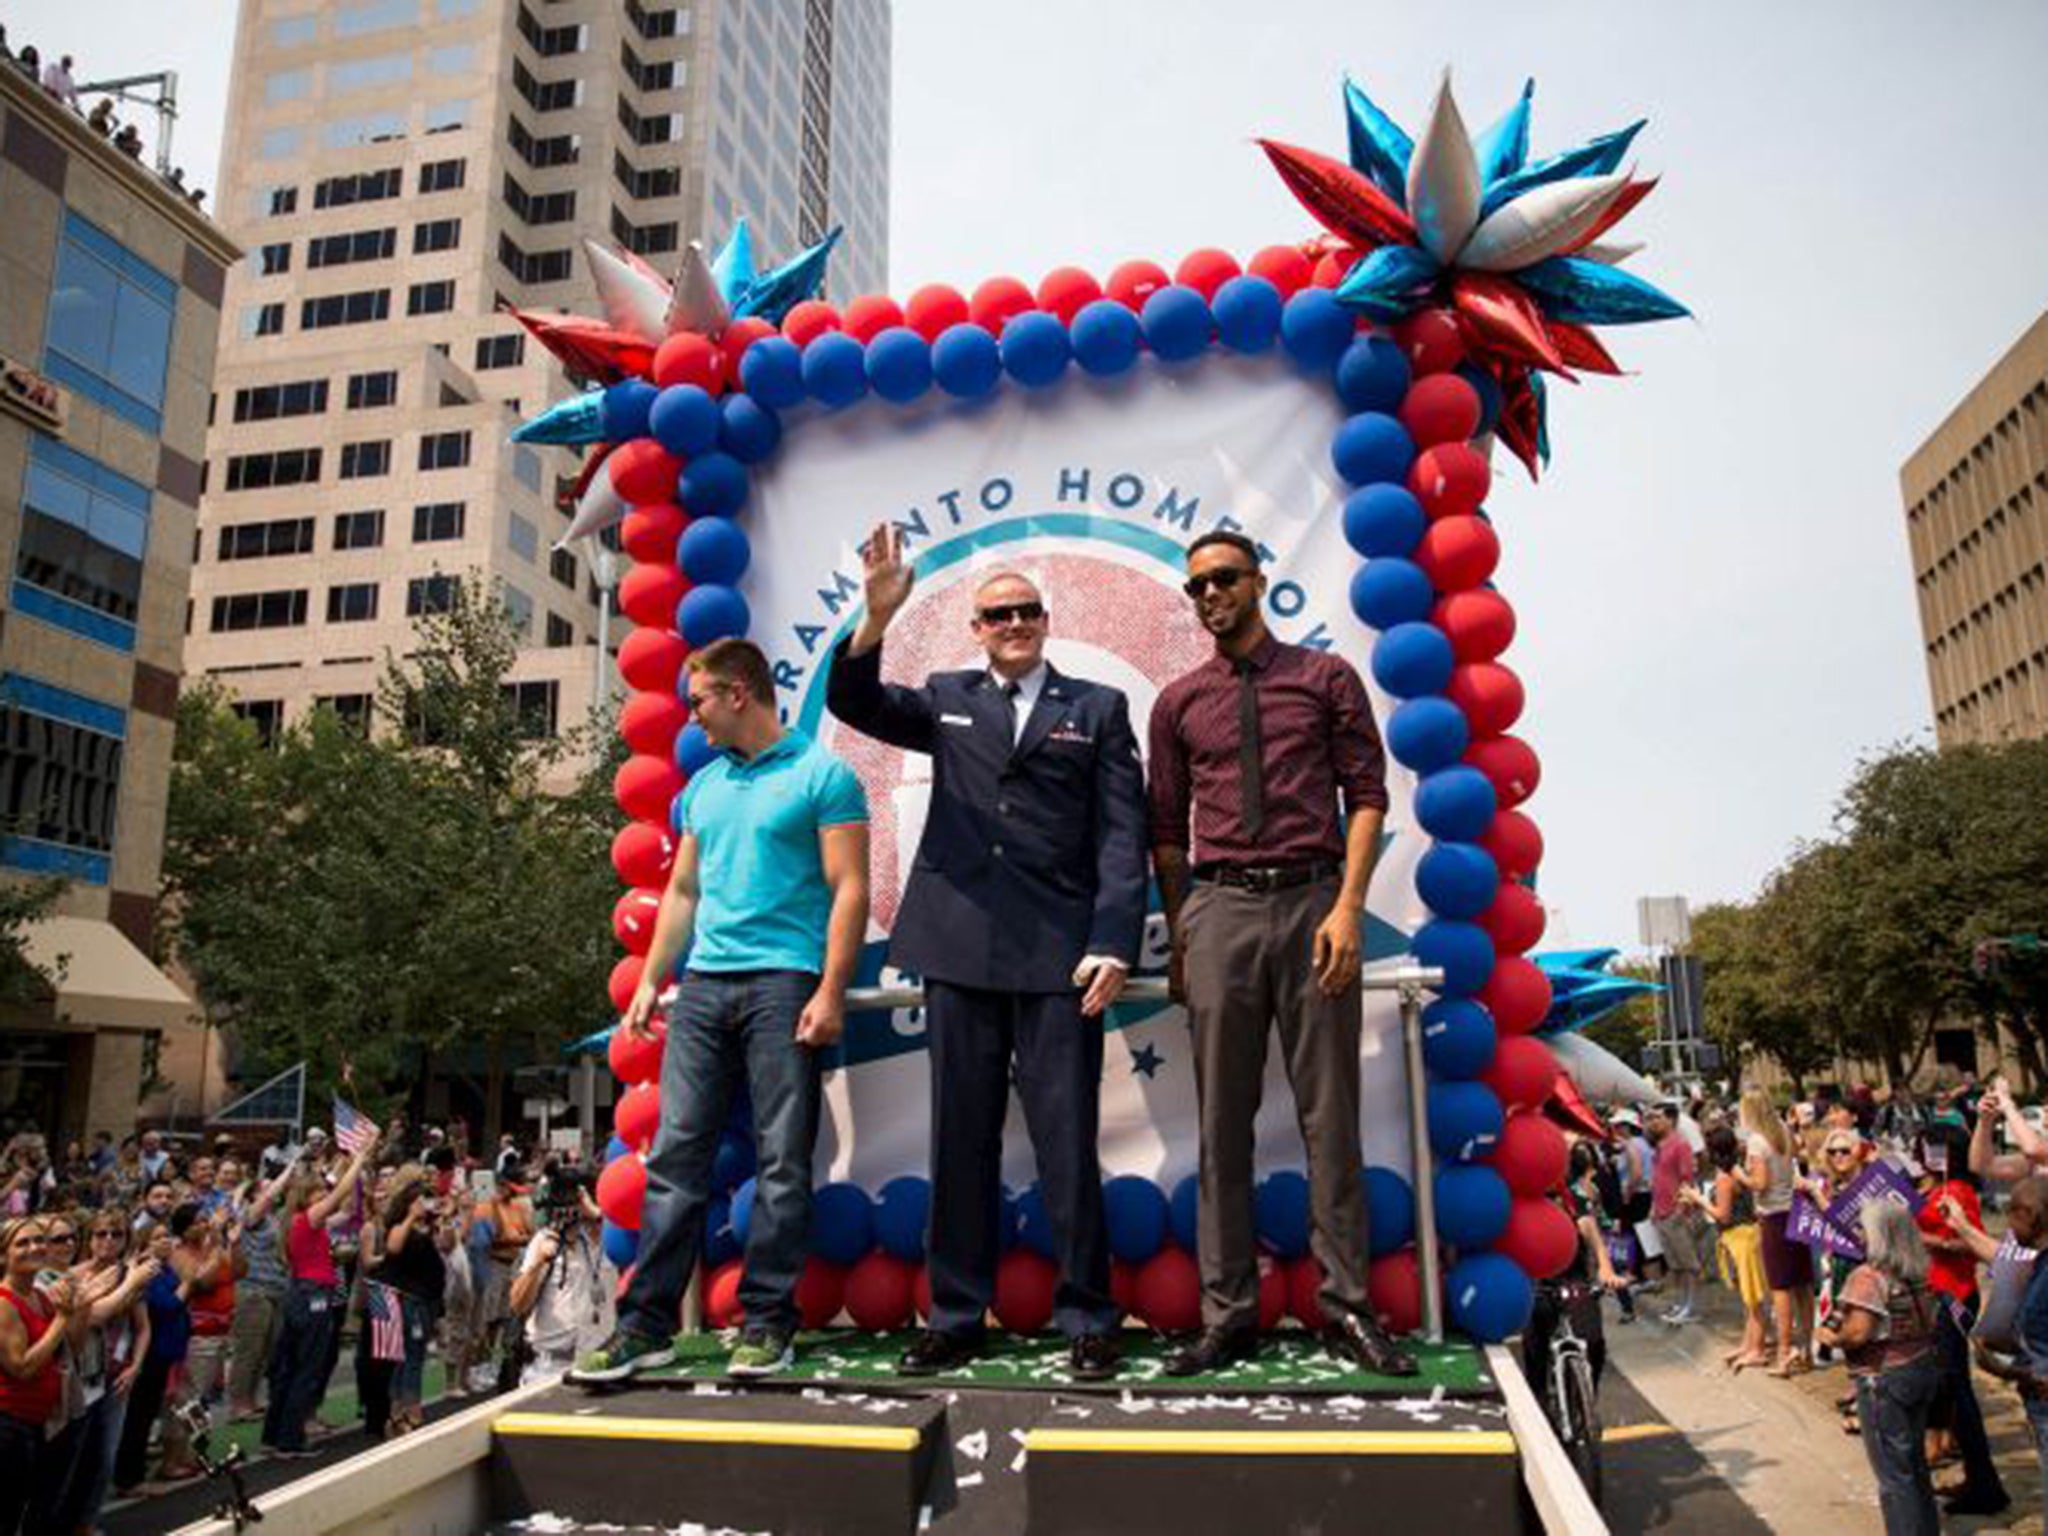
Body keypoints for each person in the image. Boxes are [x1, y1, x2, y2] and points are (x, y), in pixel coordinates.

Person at [826, 529, 1144, 1383]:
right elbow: (855, 704)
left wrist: (1113, 939)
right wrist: (877, 615)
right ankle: (957, 1316)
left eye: (1026, 611)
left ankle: (1088, 1314)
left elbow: (1123, 838)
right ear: (975, 627)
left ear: (1045, 621)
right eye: (997, 613)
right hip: (959, 948)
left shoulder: (1099, 708)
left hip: (1059, 958)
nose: (1013, 622)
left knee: (1067, 1145)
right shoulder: (946, 696)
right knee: (958, 1141)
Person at [1148, 530, 1415, 1379]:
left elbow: (1367, 798)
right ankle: (1227, 1317)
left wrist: (1348, 907)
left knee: (1329, 1121)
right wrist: (1183, 927)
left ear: (1259, 582)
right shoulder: (1178, 702)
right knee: (1221, 1126)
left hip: (1314, 904)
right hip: (1219, 908)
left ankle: (1346, 1308)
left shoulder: (1326, 679)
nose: (1211, 595)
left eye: (1224, 579)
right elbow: (1164, 833)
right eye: (1196, 587)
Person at [576, 637, 869, 1383]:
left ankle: (769, 1324)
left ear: (738, 693)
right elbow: (681, 892)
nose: (692, 716)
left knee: (781, 1160)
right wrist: (650, 979)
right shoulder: (701, 788)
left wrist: (831, 988)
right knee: (675, 1159)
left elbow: (850, 889)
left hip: (785, 983)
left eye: (700, 699)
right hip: (702, 987)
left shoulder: (823, 775)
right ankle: (645, 1327)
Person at [1817, 1199, 1943, 1536]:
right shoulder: (1919, 1271)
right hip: (1922, 1368)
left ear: (1879, 1235)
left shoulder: (1868, 1276)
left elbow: (1858, 1333)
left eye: (1863, 1227)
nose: (1858, 1233)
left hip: (1883, 1377)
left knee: (1893, 1475)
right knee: (1914, 1467)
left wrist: (1829, 1336)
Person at [262, 1134, 376, 1458]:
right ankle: (290, 1439)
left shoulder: (300, 1223)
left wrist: (346, 1163)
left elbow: (348, 1206)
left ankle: (275, 1435)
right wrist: (359, 1159)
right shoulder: (309, 1219)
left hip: (301, 1292)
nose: (325, 1197)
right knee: (306, 1367)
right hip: (313, 1296)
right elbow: (340, 1195)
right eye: (320, 1194)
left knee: (288, 1367)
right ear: (308, 1198)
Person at [0, 1214, 87, 1533]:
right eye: (22, 1243)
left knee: (37, 1505)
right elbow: (21, 1367)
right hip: (9, 1425)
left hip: (38, 1422)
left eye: (39, 1240)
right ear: (3, 1254)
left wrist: (80, 1305)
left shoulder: (39, 1295)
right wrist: (62, 1319)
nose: (34, 1247)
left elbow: (72, 1348)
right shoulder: (3, 1303)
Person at [509, 1172, 617, 1384]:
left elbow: (636, 1233)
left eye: (575, 1200)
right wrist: (539, 1262)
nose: (570, 1209)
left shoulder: (610, 1239)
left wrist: (595, 1214)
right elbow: (517, 1305)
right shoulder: (545, 1241)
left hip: (601, 1364)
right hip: (551, 1369)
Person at [363, 1167, 445, 1436]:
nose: (425, 1204)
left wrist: (448, 1216)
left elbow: (448, 1243)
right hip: (409, 1301)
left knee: (412, 1356)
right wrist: (412, 1216)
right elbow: (393, 1247)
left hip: (426, 1299)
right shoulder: (399, 1225)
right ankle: (408, 1410)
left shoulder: (426, 1228)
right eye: (420, 1200)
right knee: (409, 1357)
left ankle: (400, 1409)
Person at [1683, 1125, 1770, 1369]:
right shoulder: (1736, 1170)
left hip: (1740, 1238)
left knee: (1752, 1299)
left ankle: (1757, 1349)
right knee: (1748, 1297)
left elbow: (1722, 1215)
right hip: (1746, 1236)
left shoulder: (1723, 1178)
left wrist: (1698, 1199)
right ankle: (1748, 1343)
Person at [1739, 1087, 1812, 1377]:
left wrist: (1739, 1175)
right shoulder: (1782, 1130)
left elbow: (1760, 1183)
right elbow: (1797, 1158)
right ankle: (1806, 1346)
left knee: (1780, 1287)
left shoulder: (1757, 1141)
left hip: (1773, 1216)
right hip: (1795, 1210)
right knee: (1803, 1284)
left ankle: (1784, 1350)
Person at [227, 1153, 291, 1420]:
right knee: (249, 1349)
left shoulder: (275, 1218)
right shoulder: (249, 1217)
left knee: (266, 1348)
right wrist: (290, 1168)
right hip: (253, 1289)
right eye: (265, 1187)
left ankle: (251, 1399)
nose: (271, 1191)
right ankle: (238, 1404)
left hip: (275, 1287)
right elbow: (265, 1198)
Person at [1647, 1103, 1705, 1325]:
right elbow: (1658, 1178)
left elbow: (1687, 1179)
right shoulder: (1659, 1146)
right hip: (1662, 1213)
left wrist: (1681, 1210)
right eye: (1651, 1118)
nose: (1653, 1122)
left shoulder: (1681, 1145)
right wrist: (1654, 1208)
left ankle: (1691, 1307)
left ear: (1671, 1120)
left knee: (1689, 1263)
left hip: (1676, 1213)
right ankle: (1682, 1303)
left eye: (1657, 1117)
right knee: (1675, 1264)